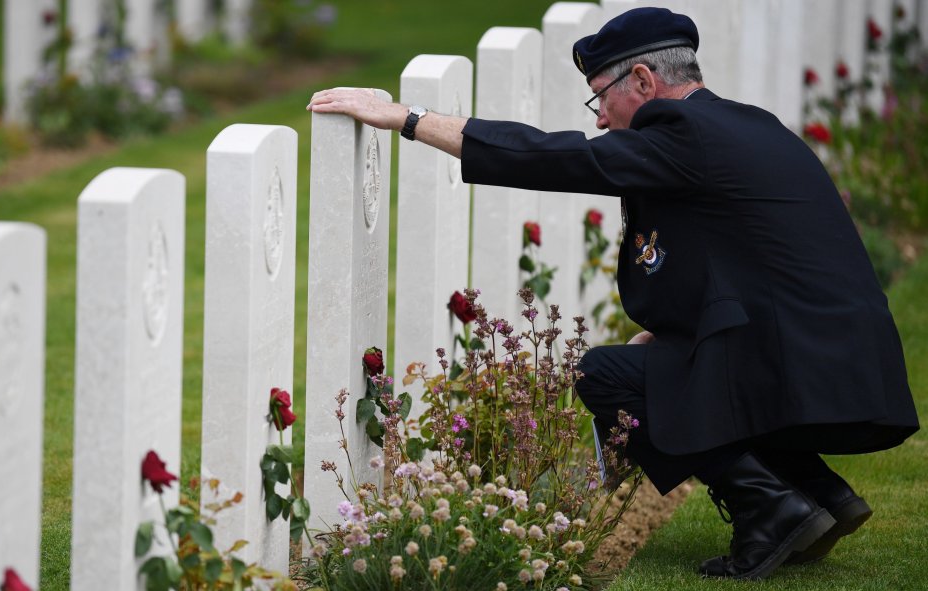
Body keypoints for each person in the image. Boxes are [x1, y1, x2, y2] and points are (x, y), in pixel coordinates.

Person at [306, 6, 919, 580]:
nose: (598, 118)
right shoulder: (743, 124)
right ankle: (820, 495)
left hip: (795, 363)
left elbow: (555, 157)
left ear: (645, 81)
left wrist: (411, 121)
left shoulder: (681, 132)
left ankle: (772, 513)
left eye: (601, 96)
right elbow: (739, 256)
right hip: (837, 360)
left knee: (609, 375)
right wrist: (670, 328)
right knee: (662, 364)